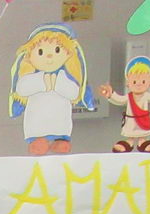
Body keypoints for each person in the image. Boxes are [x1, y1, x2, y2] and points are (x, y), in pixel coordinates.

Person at [9, 23, 95, 155]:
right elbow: (21, 89)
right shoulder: (31, 77)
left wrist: (57, 84)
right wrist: (42, 82)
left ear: (68, 53)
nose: (49, 56)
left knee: (61, 131)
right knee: (38, 137)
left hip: (60, 119)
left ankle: (60, 140)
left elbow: (74, 93)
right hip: (36, 120)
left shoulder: (64, 78)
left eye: (56, 50)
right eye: (41, 52)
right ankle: (37, 140)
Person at [99, 56, 150, 153]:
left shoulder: (146, 96)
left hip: (143, 119)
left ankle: (143, 143)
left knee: (142, 135)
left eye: (143, 81)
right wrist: (110, 94)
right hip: (131, 120)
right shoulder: (129, 97)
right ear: (128, 83)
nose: (138, 84)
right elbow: (119, 100)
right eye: (134, 82)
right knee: (130, 135)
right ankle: (128, 143)